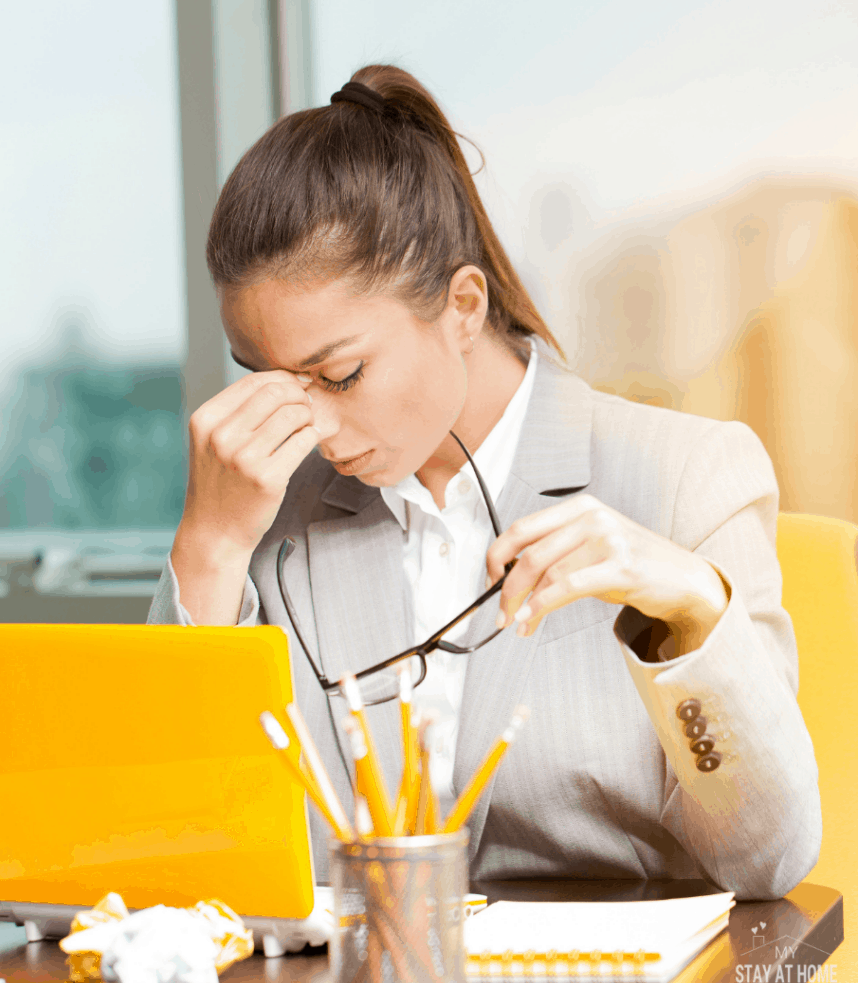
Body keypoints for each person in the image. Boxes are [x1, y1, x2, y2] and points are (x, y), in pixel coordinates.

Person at [149, 65, 820, 899]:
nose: (309, 427)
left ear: (463, 306)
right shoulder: (262, 511)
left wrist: (693, 609)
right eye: (273, 382)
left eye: (342, 373)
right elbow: (173, 860)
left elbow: (768, 859)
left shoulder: (685, 474)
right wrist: (209, 549)